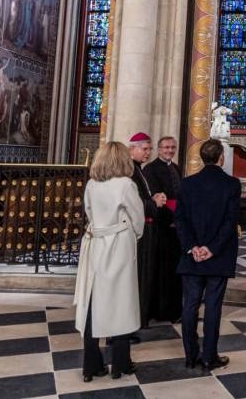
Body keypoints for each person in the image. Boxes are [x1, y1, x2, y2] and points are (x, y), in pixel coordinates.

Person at [73, 141, 144, 382]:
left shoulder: (92, 184)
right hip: (119, 245)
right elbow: (138, 218)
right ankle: (121, 363)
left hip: (95, 244)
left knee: (93, 302)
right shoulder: (126, 184)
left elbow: (90, 213)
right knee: (120, 303)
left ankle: (91, 365)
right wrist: (133, 234)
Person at [174, 139, 241, 371]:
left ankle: (190, 356)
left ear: (202, 157)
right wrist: (211, 248)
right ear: (221, 157)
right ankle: (209, 357)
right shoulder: (231, 184)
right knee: (213, 306)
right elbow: (230, 222)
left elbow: (180, 220)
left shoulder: (187, 184)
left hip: (191, 257)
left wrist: (193, 247)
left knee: (190, 306)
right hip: (218, 257)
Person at [144, 135, 184, 323]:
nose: (169, 150)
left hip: (175, 228)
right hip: (161, 227)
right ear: (159, 150)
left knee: (173, 271)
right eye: (166, 147)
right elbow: (156, 199)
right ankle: (160, 311)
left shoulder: (175, 168)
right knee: (161, 271)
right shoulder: (151, 169)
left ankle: (174, 309)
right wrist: (171, 217)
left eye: (172, 147)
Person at [129, 132, 166, 332]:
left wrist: (153, 199)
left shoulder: (139, 170)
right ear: (131, 149)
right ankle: (137, 319)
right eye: (144, 149)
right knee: (139, 276)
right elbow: (132, 204)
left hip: (147, 229)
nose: (148, 153)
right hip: (139, 234)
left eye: (150, 149)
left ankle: (143, 316)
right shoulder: (130, 172)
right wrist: (154, 203)